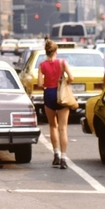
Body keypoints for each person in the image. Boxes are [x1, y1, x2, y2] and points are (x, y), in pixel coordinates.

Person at [38, 39, 73, 169]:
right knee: (63, 128)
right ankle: (64, 158)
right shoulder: (62, 63)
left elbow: (40, 84)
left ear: (46, 52)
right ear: (56, 51)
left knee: (53, 126)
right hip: (61, 94)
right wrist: (66, 82)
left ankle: (56, 154)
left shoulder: (42, 65)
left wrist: (47, 85)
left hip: (49, 94)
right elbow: (72, 77)